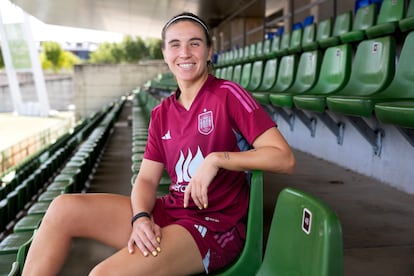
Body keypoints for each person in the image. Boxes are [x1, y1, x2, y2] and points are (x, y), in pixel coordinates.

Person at [22, 12, 295, 276]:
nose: (185, 53)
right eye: (175, 45)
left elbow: (283, 158)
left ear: (209, 51)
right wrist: (141, 217)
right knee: (62, 209)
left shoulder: (227, 94)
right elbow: (146, 181)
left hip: (215, 226)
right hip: (171, 210)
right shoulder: (162, 113)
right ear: (165, 54)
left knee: (104, 274)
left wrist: (216, 159)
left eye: (195, 43)